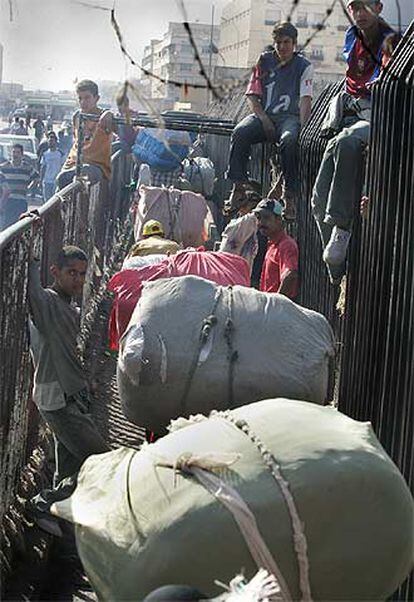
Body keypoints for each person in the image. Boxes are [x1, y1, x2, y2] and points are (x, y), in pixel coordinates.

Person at [23, 234, 110, 535]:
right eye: (71, 272)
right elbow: (33, 292)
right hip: (59, 399)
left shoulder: (68, 306)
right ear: (55, 272)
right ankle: (41, 504)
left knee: (70, 467)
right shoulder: (47, 303)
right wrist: (32, 252)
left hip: (71, 394)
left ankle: (57, 516)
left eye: (82, 274)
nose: (78, 279)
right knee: (102, 460)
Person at [311, 0, 393, 281]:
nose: (359, 14)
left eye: (365, 7)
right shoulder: (351, 36)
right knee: (316, 199)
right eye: (354, 8)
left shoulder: (389, 40)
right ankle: (337, 270)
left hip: (380, 117)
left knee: (347, 141)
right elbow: (351, 79)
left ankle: (342, 228)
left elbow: (380, 86)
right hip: (350, 114)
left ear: (379, 8)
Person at [226, 22, 313, 221]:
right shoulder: (264, 61)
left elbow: (305, 99)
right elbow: (252, 96)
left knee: (290, 141)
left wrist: (303, 127)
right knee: (240, 132)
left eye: (286, 42)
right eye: (278, 42)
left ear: (294, 44)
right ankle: (238, 186)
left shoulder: (304, 66)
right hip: (265, 114)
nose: (282, 46)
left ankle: (289, 196)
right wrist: (264, 120)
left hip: (289, 118)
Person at [56, 79, 116, 189]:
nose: (83, 102)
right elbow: (76, 143)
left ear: (97, 98)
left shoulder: (104, 117)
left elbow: (123, 131)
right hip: (73, 163)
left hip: (96, 166)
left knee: (74, 181)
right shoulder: (77, 116)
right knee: (60, 183)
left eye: (87, 98)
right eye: (80, 98)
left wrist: (110, 114)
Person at [253, 198, 299, 299]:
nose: (261, 223)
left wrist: (276, 305)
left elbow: (290, 275)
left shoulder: (286, 245)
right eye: (259, 218)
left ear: (278, 219)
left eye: (266, 217)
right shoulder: (272, 244)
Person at [0, 143, 38, 231]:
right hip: (8, 201)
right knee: (6, 225)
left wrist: (29, 188)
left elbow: (36, 178)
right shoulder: (4, 167)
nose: (15, 155)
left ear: (22, 154)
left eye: (17, 152)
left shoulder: (27, 168)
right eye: (13, 152)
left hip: (21, 200)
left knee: (19, 225)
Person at [40, 131, 64, 202]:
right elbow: (43, 167)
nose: (50, 142)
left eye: (52, 141)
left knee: (55, 201)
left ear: (56, 142)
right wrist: (41, 180)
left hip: (56, 181)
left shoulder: (60, 154)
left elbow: (63, 167)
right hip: (47, 181)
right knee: (47, 201)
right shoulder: (45, 154)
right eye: (49, 141)